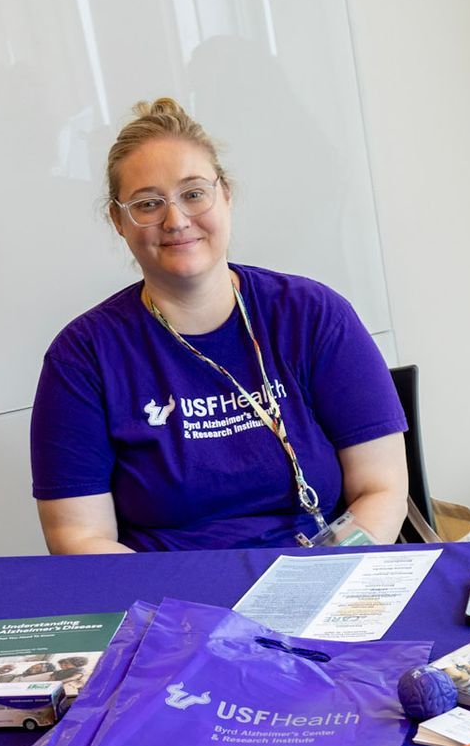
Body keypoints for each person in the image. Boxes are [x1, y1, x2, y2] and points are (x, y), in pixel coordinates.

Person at [31, 97, 408, 554]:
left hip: (322, 579)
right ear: (118, 221)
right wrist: (188, 617)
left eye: (193, 193)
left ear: (225, 194)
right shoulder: (83, 356)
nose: (176, 220)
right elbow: (78, 538)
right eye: (147, 204)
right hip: (166, 604)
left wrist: (323, 584)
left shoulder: (313, 316)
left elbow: (382, 490)